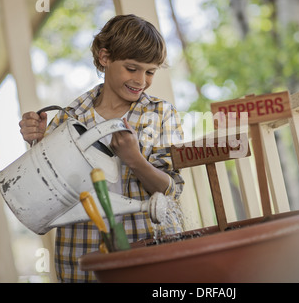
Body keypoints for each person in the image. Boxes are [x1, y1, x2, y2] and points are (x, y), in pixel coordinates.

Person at [19, 14, 185, 282]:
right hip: (84, 254)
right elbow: (49, 187)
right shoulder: (68, 117)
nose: (141, 81)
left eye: (150, 72)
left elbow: (171, 192)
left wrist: (135, 160)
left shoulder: (161, 113)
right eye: (132, 69)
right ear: (105, 57)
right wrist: (36, 141)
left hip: (150, 251)